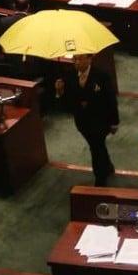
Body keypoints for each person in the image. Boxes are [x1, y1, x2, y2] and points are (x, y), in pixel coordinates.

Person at [56, 53, 120, 184]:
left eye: (80, 59)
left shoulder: (102, 76)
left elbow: (110, 100)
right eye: (75, 59)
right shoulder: (68, 76)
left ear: (90, 58)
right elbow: (67, 105)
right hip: (82, 121)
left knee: (96, 148)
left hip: (101, 120)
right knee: (98, 146)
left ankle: (100, 178)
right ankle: (107, 166)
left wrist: (114, 122)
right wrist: (60, 92)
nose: (77, 62)